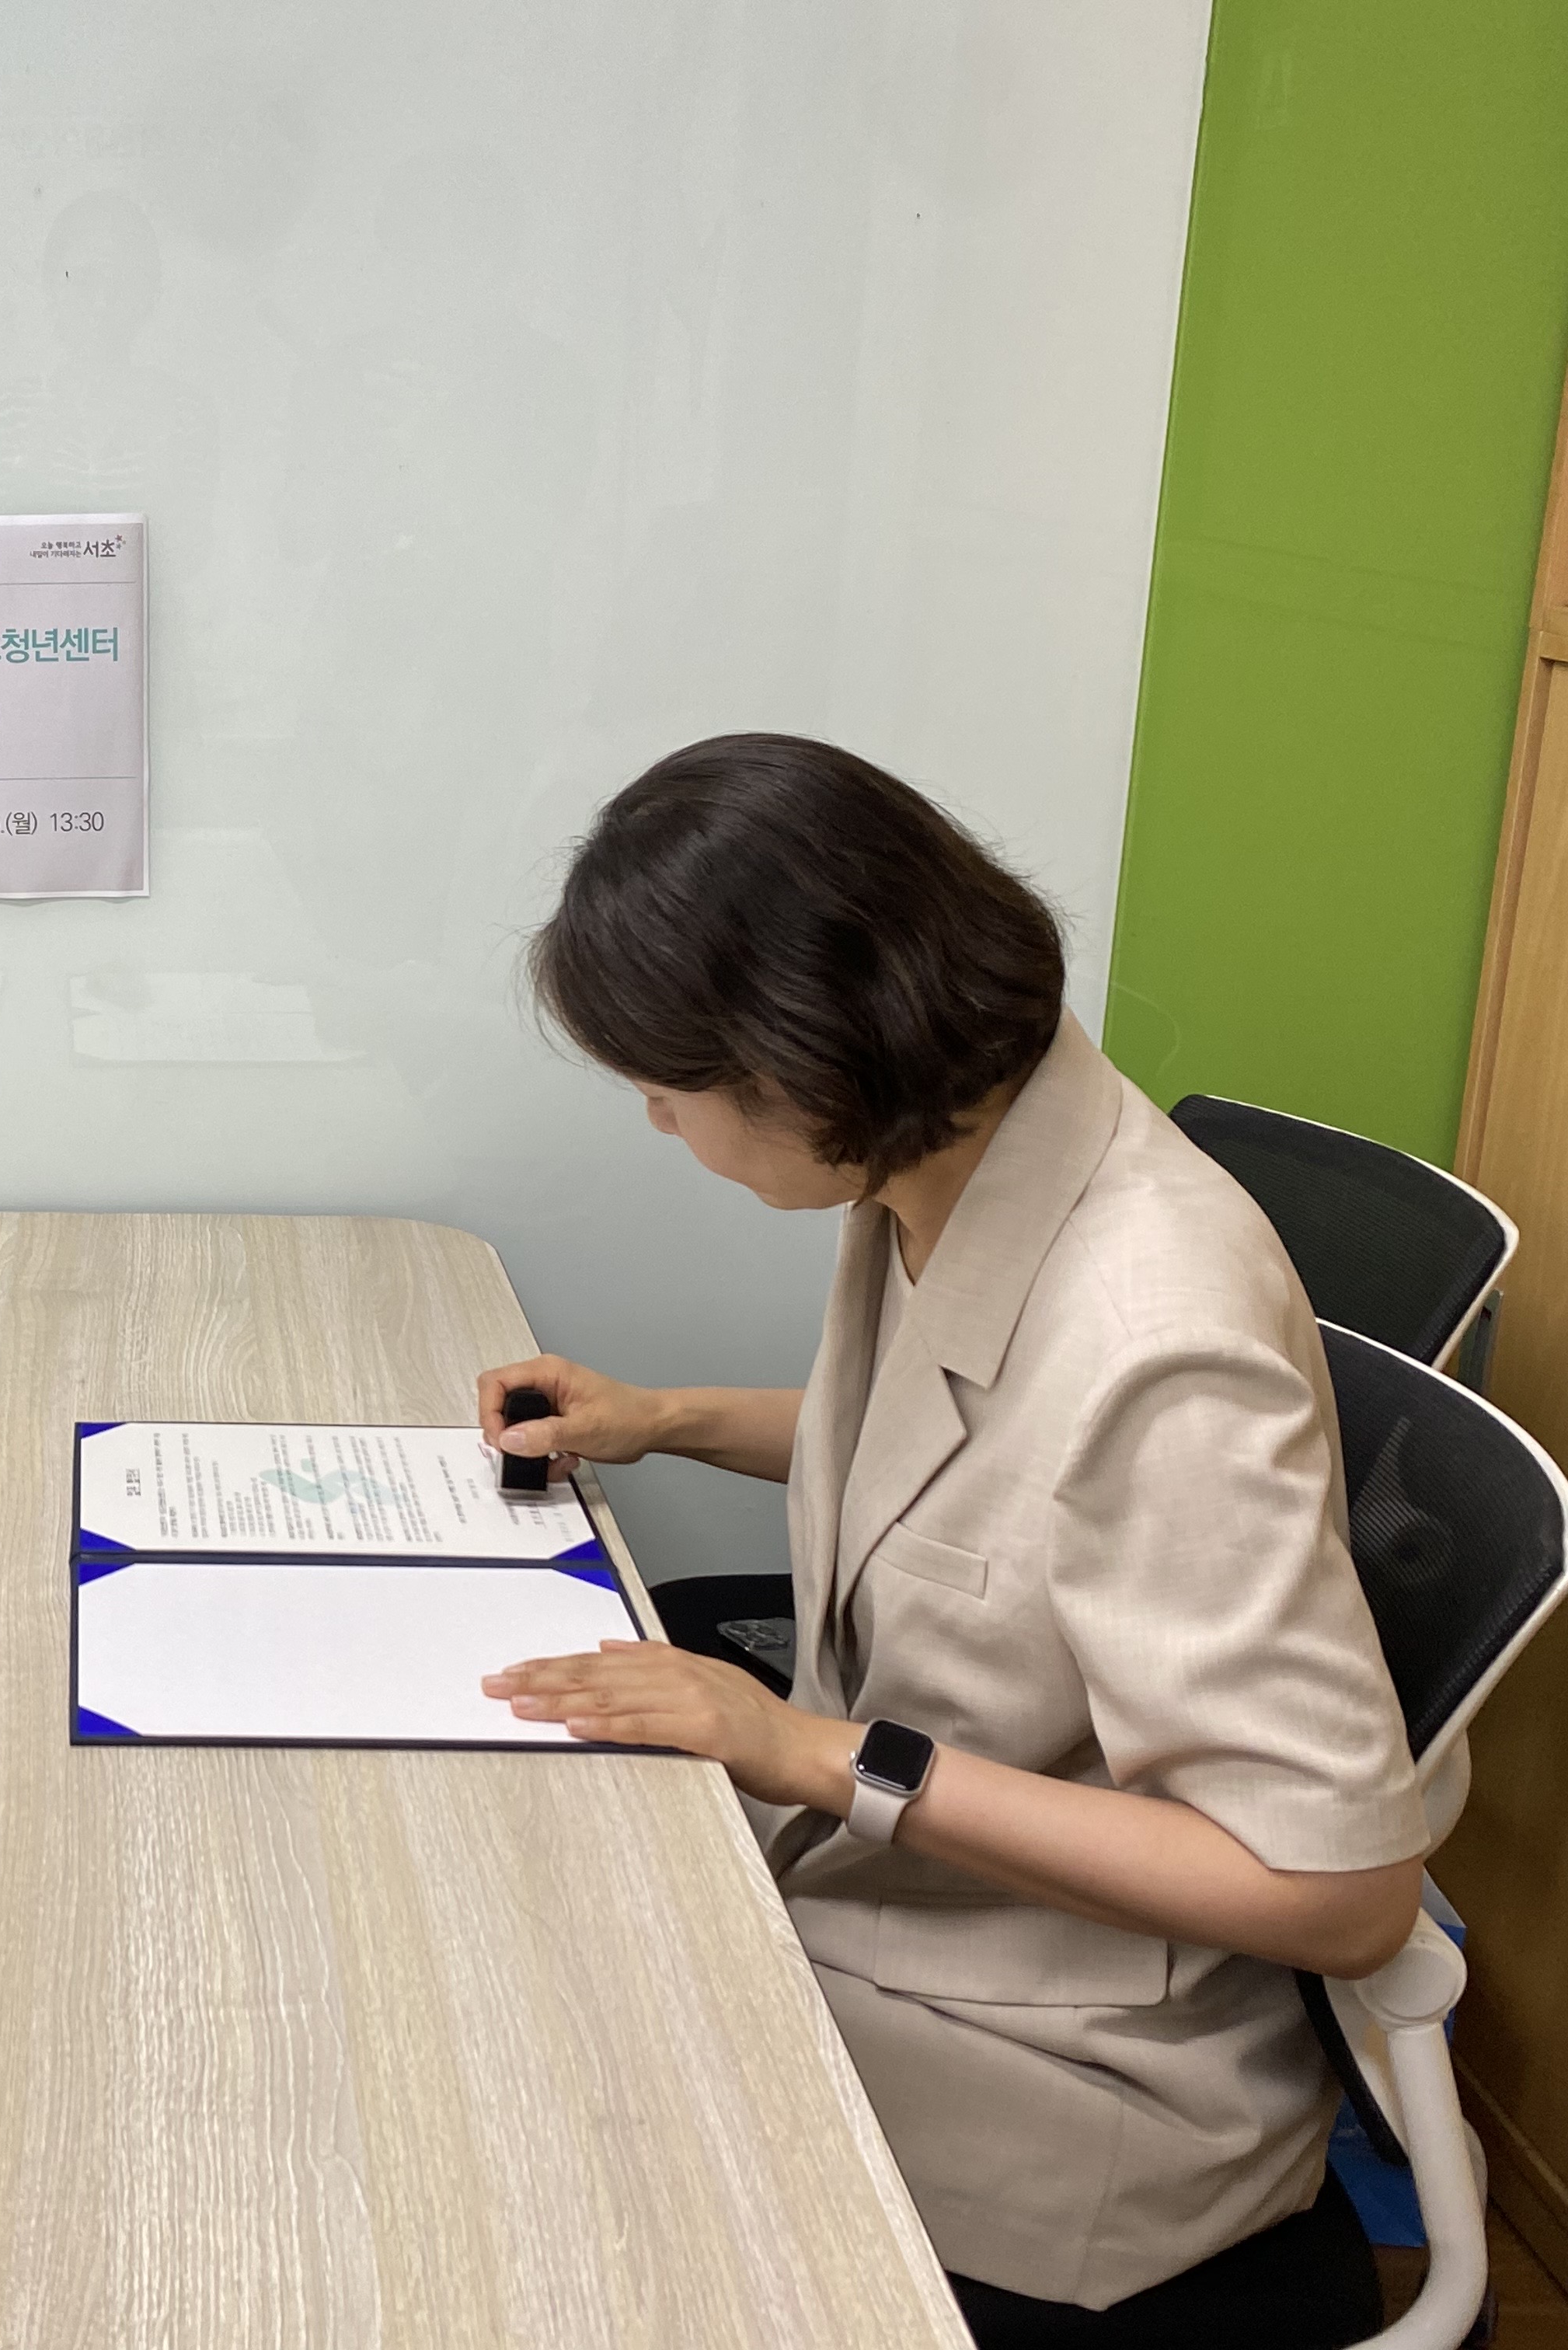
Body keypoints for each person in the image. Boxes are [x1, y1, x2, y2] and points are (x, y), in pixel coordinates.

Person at [473, 735, 1424, 2346]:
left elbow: (1336, 1893)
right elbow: (977, 1460)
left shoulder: (1159, 1332)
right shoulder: (962, 1156)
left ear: (798, 1064)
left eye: (669, 1081)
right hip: (905, 1919)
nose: (653, 1115)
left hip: (1064, 2068)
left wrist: (808, 1751)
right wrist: (664, 1418)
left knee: (524, 2103)